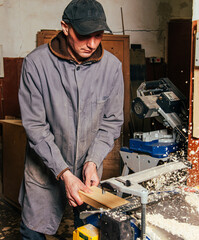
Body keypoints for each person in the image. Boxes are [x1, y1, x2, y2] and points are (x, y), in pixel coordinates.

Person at [18, 0, 124, 238]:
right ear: (65, 27)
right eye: (85, 35)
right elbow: (35, 127)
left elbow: (111, 122)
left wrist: (93, 161)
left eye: (98, 36)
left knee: (87, 232)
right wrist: (64, 173)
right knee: (33, 231)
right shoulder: (36, 64)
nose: (92, 43)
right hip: (43, 172)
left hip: (89, 178)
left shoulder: (112, 68)